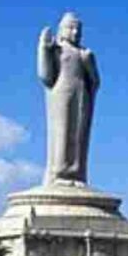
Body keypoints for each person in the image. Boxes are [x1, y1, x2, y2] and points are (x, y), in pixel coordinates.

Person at [37, 12, 101, 185]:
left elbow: (95, 81)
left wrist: (89, 62)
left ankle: (76, 173)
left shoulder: (84, 54)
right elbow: (46, 76)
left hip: (82, 97)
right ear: (62, 30)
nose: (75, 33)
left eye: (78, 29)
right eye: (71, 28)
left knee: (78, 134)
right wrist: (43, 48)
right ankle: (59, 173)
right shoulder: (56, 49)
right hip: (61, 94)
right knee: (62, 131)